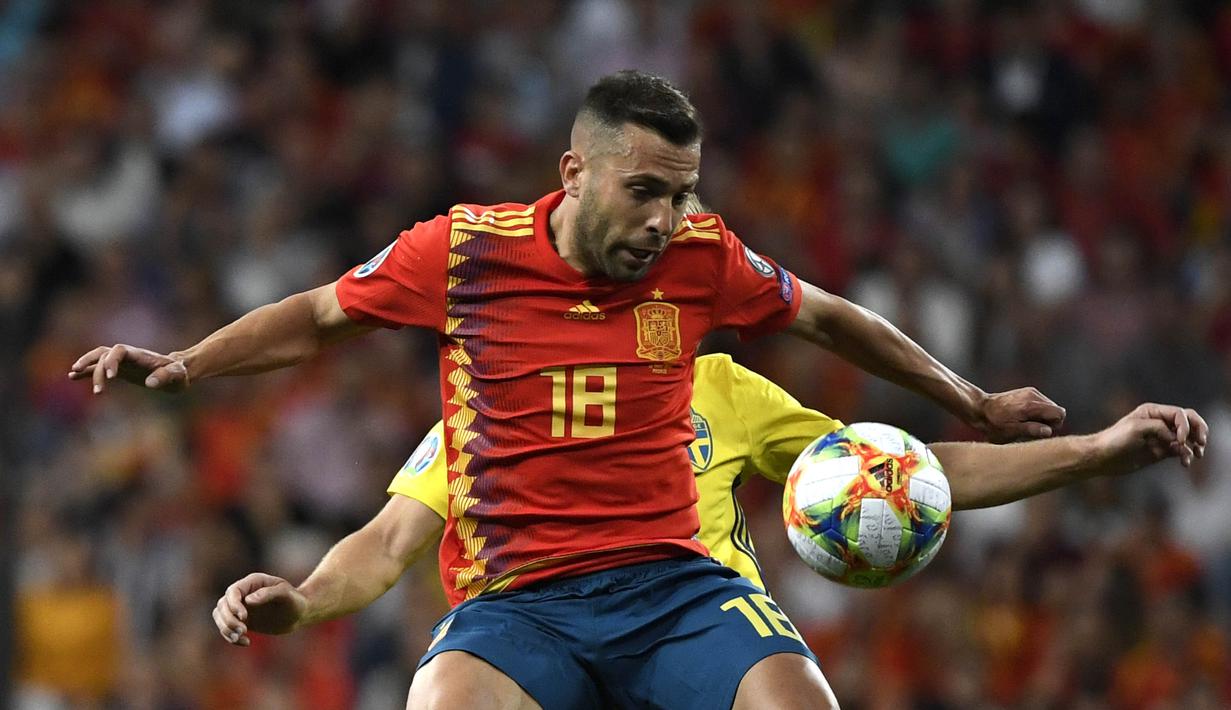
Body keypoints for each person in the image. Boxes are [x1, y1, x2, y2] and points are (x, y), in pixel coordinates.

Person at [71, 71, 1079, 709]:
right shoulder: (463, 252)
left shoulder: (702, 257)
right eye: (644, 191)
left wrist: (972, 399)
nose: (665, 219)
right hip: (519, 604)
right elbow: (320, 315)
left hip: (676, 588)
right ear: (575, 173)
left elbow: (827, 316)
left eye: (680, 193)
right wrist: (190, 362)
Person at [210, 354, 1205, 657]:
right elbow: (389, 538)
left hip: (698, 632)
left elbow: (898, 474)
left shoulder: (718, 386)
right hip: (540, 637)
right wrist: (300, 600)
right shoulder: (498, 403)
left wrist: (1094, 451)